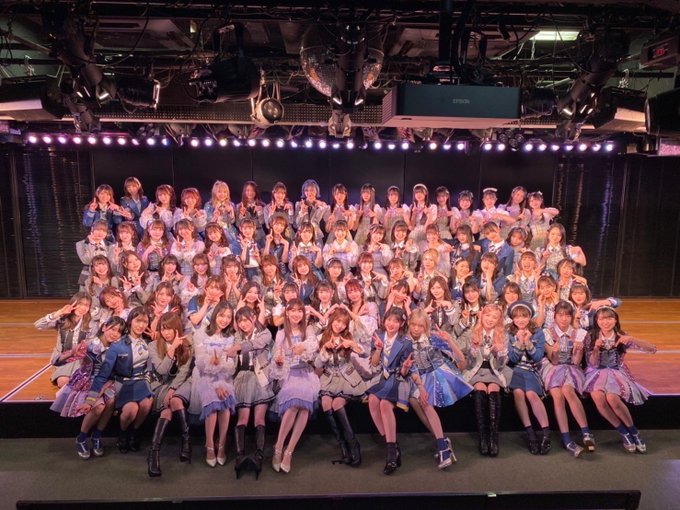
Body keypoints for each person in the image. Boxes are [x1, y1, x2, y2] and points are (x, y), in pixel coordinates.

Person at [51, 317, 126, 459]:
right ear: (104, 327)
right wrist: (72, 353)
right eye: (112, 329)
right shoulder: (90, 345)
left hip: (107, 382)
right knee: (99, 407)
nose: (115, 333)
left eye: (119, 331)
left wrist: (106, 385)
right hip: (86, 382)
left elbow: (117, 372)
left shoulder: (117, 349)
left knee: (111, 401)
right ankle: (81, 438)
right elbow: (56, 362)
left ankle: (97, 435)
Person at [584, 307, 656, 453]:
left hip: (616, 371)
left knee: (612, 398)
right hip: (596, 371)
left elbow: (652, 349)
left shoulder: (621, 336)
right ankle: (623, 432)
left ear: (615, 320)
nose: (606, 322)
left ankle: (633, 431)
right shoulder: (591, 336)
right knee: (597, 397)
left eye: (609, 318)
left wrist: (632, 339)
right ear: (596, 321)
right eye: (602, 319)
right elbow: (591, 363)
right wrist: (596, 349)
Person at [82, 307, 153, 455]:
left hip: (142, 381)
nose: (141, 325)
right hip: (124, 383)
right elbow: (103, 374)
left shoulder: (147, 341)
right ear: (130, 321)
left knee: (147, 404)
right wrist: (91, 398)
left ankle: (134, 433)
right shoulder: (117, 345)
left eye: (145, 322)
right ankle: (123, 433)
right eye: (138, 321)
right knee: (131, 410)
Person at [406, 309, 471, 469]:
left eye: (420, 326)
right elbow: (409, 367)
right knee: (414, 400)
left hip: (436, 374)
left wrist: (449, 341)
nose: (416, 329)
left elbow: (461, 361)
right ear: (408, 324)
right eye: (413, 325)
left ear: (425, 327)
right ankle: (442, 441)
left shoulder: (433, 338)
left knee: (425, 402)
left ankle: (442, 447)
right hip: (416, 377)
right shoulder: (405, 342)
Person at [537, 300, 593, 457]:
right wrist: (554, 351)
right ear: (554, 316)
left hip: (570, 367)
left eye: (567, 316)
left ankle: (586, 432)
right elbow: (554, 361)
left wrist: (578, 350)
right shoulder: (547, 332)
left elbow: (575, 362)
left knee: (568, 391)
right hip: (553, 367)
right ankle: (566, 438)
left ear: (571, 317)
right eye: (560, 315)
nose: (564, 319)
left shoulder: (579, 333)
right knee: (557, 395)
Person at [270, 299, 320, 473]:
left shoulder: (309, 330)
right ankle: (278, 446)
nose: (296, 314)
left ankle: (289, 451)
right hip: (288, 373)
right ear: (287, 313)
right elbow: (276, 358)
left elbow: (313, 349)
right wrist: (279, 361)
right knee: (294, 403)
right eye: (293, 310)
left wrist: (302, 348)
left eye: (300, 311)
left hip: (305, 372)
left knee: (304, 406)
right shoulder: (281, 333)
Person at [314, 307, 367, 466]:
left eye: (343, 323)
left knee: (337, 404)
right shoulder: (321, 337)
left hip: (347, 378)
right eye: (337, 321)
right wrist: (325, 349)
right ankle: (342, 446)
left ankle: (353, 444)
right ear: (332, 320)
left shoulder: (348, 337)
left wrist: (352, 344)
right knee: (326, 403)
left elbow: (365, 354)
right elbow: (317, 364)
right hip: (329, 378)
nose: (339, 326)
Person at [458, 303, 511, 457]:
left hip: (495, 371)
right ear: (482, 316)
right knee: (480, 388)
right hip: (476, 370)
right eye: (487, 315)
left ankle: (493, 437)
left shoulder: (503, 335)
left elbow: (501, 365)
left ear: (499, 320)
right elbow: (469, 363)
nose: (490, 319)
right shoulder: (472, 333)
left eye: (494, 317)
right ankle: (483, 437)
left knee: (493, 388)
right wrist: (474, 349)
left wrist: (500, 352)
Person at [366, 308, 413, 474]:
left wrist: (405, 367)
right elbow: (373, 364)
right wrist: (378, 349)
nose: (391, 324)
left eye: (395, 321)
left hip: (397, 379)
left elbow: (404, 373)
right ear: (384, 320)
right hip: (381, 378)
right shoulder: (377, 335)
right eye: (389, 320)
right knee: (372, 400)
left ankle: (391, 455)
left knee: (384, 405)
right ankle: (392, 445)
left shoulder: (405, 342)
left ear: (401, 324)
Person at [146, 312, 193, 477]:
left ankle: (186, 441)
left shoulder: (187, 342)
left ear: (176, 328)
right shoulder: (153, 345)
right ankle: (154, 452)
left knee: (174, 402)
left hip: (180, 382)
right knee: (166, 410)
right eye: (162, 329)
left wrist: (172, 389)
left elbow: (184, 371)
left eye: (169, 329)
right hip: (161, 383)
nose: (165, 333)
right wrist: (172, 349)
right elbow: (161, 370)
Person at [231, 306, 275, 478]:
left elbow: (257, 344)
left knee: (259, 418)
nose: (243, 324)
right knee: (242, 418)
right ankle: (239, 456)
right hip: (243, 377)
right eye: (240, 321)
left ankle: (259, 457)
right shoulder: (236, 336)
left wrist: (237, 348)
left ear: (254, 318)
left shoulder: (264, 333)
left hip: (261, 377)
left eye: (246, 320)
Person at [193, 302, 237, 467]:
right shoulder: (201, 333)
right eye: (221, 315)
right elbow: (199, 362)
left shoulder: (230, 337)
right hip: (204, 376)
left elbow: (231, 366)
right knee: (212, 401)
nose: (224, 320)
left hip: (224, 377)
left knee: (225, 400)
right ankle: (210, 443)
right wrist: (211, 362)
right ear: (214, 315)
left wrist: (220, 377)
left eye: (228, 317)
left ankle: (222, 443)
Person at [507, 302, 551, 455]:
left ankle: (546, 434)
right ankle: (530, 433)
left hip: (531, 370)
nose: (520, 320)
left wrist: (528, 343)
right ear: (512, 318)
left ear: (529, 317)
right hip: (515, 370)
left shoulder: (538, 333)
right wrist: (520, 343)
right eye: (517, 317)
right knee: (518, 392)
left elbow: (538, 357)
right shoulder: (508, 333)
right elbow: (511, 359)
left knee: (531, 394)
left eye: (524, 316)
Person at [35, 292, 94, 388]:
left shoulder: (91, 322)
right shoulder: (62, 319)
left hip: (82, 359)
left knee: (81, 383)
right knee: (63, 382)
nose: (83, 308)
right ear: (73, 303)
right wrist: (58, 313)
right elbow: (38, 325)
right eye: (80, 304)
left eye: (86, 305)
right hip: (64, 358)